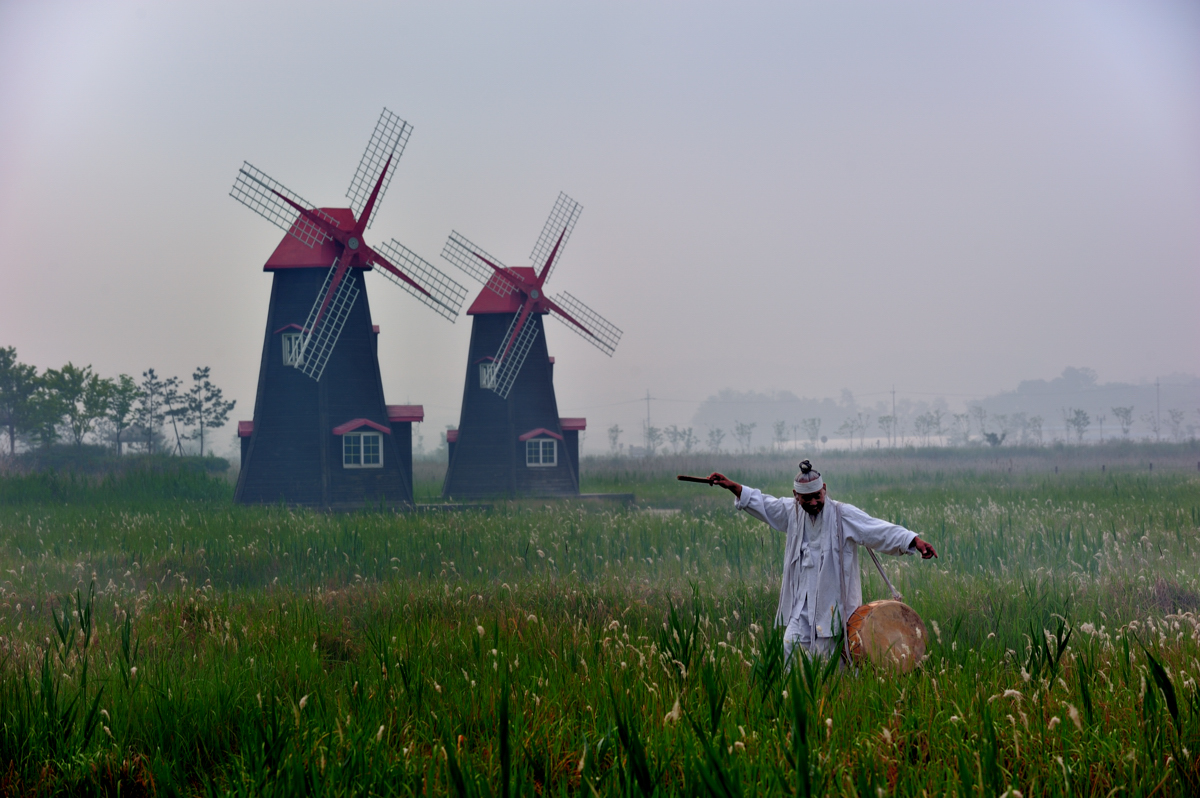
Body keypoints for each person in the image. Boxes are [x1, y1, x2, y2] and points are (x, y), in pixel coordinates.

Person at [707, 460, 937, 664]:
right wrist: (732, 486)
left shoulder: (842, 514)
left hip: (834, 606)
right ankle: (795, 695)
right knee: (791, 646)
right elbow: (764, 504)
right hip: (801, 605)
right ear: (796, 495)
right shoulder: (791, 511)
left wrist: (913, 540)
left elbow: (877, 529)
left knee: (828, 660)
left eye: (818, 495)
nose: (814, 502)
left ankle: (834, 696)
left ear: (824, 489)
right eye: (807, 498)